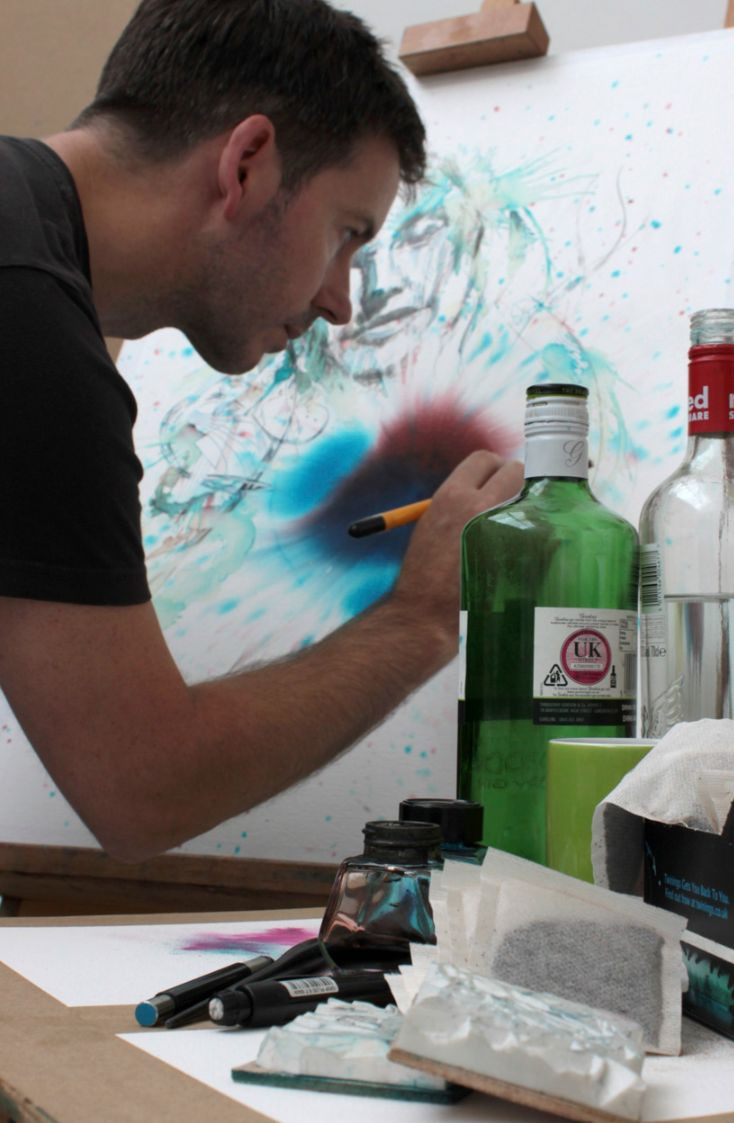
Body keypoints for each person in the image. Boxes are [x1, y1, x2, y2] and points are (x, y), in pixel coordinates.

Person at [0, 0, 521, 862]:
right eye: (346, 233)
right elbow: (144, 784)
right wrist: (424, 615)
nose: (341, 302)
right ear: (247, 164)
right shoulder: (29, 331)